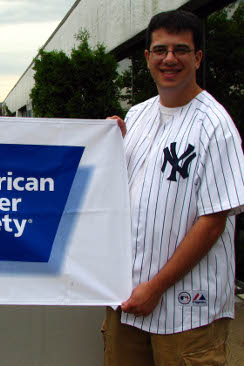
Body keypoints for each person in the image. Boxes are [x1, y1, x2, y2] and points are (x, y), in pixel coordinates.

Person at [104, 10, 244, 365]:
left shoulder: (216, 126)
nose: (170, 59)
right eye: (161, 49)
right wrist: (106, 144)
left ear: (197, 58)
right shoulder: (137, 116)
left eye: (181, 50)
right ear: (148, 57)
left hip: (188, 310)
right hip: (128, 299)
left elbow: (212, 222)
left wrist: (156, 287)